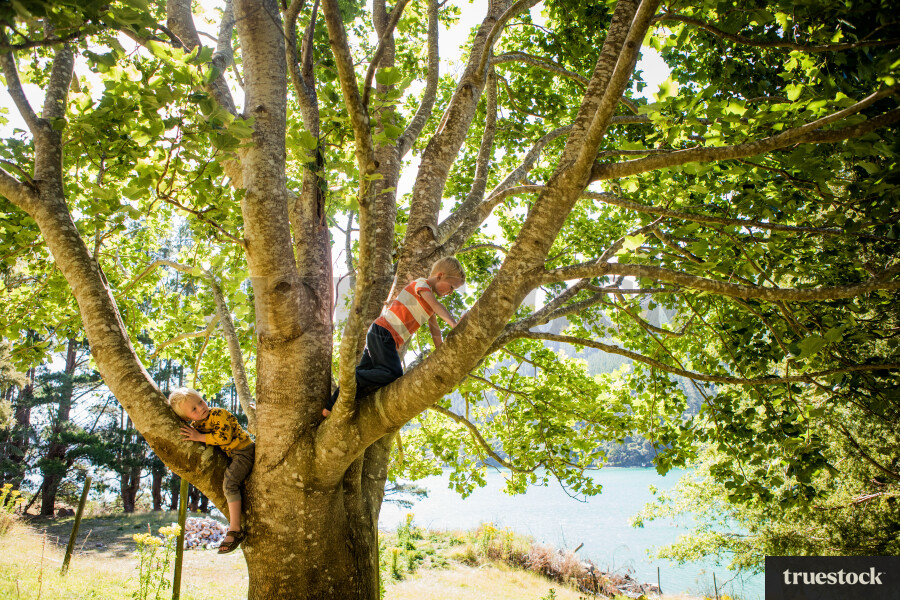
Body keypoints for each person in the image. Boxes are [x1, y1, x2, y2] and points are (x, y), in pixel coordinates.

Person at [325, 256, 466, 416]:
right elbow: (436, 305)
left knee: (365, 380)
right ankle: (351, 376)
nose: (451, 292)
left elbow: (435, 330)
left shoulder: (429, 307)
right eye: (451, 287)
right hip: (383, 333)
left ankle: (330, 408)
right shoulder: (422, 284)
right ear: (440, 276)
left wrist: (441, 350)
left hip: (383, 336)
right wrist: (455, 325)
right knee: (392, 373)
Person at [168, 387, 254, 554]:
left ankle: (235, 529)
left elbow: (224, 438)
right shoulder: (196, 425)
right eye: (194, 409)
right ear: (186, 418)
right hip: (232, 455)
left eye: (200, 401)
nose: (201, 407)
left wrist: (198, 437)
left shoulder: (218, 415)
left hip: (244, 451)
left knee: (230, 484)